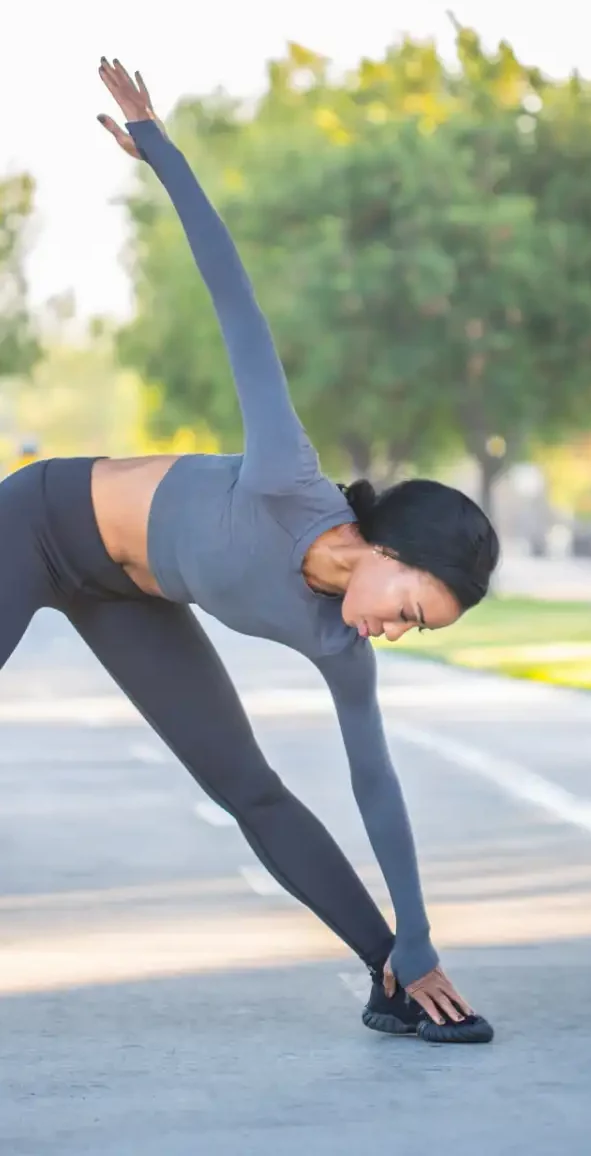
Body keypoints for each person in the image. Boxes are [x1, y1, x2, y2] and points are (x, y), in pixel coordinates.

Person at [0, 58, 499, 1044]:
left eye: (416, 630)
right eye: (409, 607)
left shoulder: (340, 646)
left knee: (249, 788)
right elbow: (236, 301)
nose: (394, 631)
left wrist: (414, 940)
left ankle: (389, 983)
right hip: (37, 523)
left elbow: (375, 788)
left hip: (124, 593)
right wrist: (162, 152)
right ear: (387, 546)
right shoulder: (285, 478)